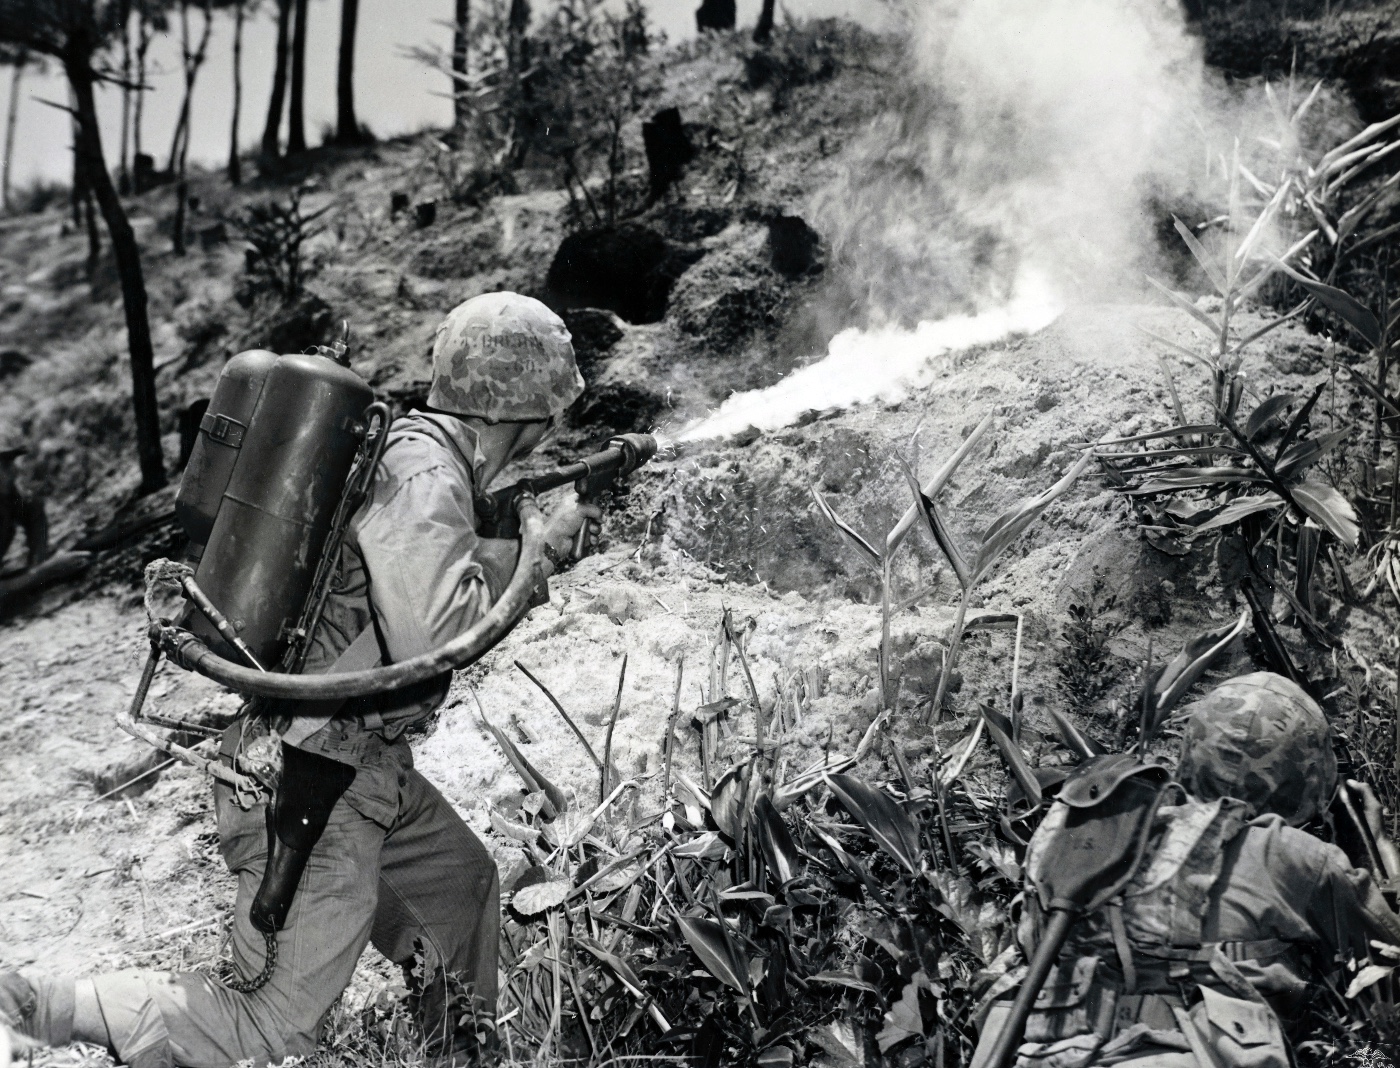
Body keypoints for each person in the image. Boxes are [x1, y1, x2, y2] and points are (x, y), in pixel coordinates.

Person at [0, 292, 596, 1068]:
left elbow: (404, 587)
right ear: (532, 408)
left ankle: (463, 1054)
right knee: (266, 1026)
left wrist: (512, 550)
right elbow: (434, 635)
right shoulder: (426, 474)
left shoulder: (422, 459)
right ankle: (49, 1006)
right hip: (314, 783)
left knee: (460, 893)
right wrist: (539, 554)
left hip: (354, 765)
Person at [972, 671, 1400, 1068]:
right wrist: (1377, 844)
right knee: (1375, 1055)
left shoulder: (1099, 832)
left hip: (1040, 1050)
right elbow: (1386, 967)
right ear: (1306, 777)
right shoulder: (1290, 856)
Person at [0, 439, 49, 574]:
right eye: (4, 465)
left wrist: (37, 565)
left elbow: (33, 513)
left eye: (10, 463)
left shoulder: (8, 495)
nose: (13, 471)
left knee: (33, 505)